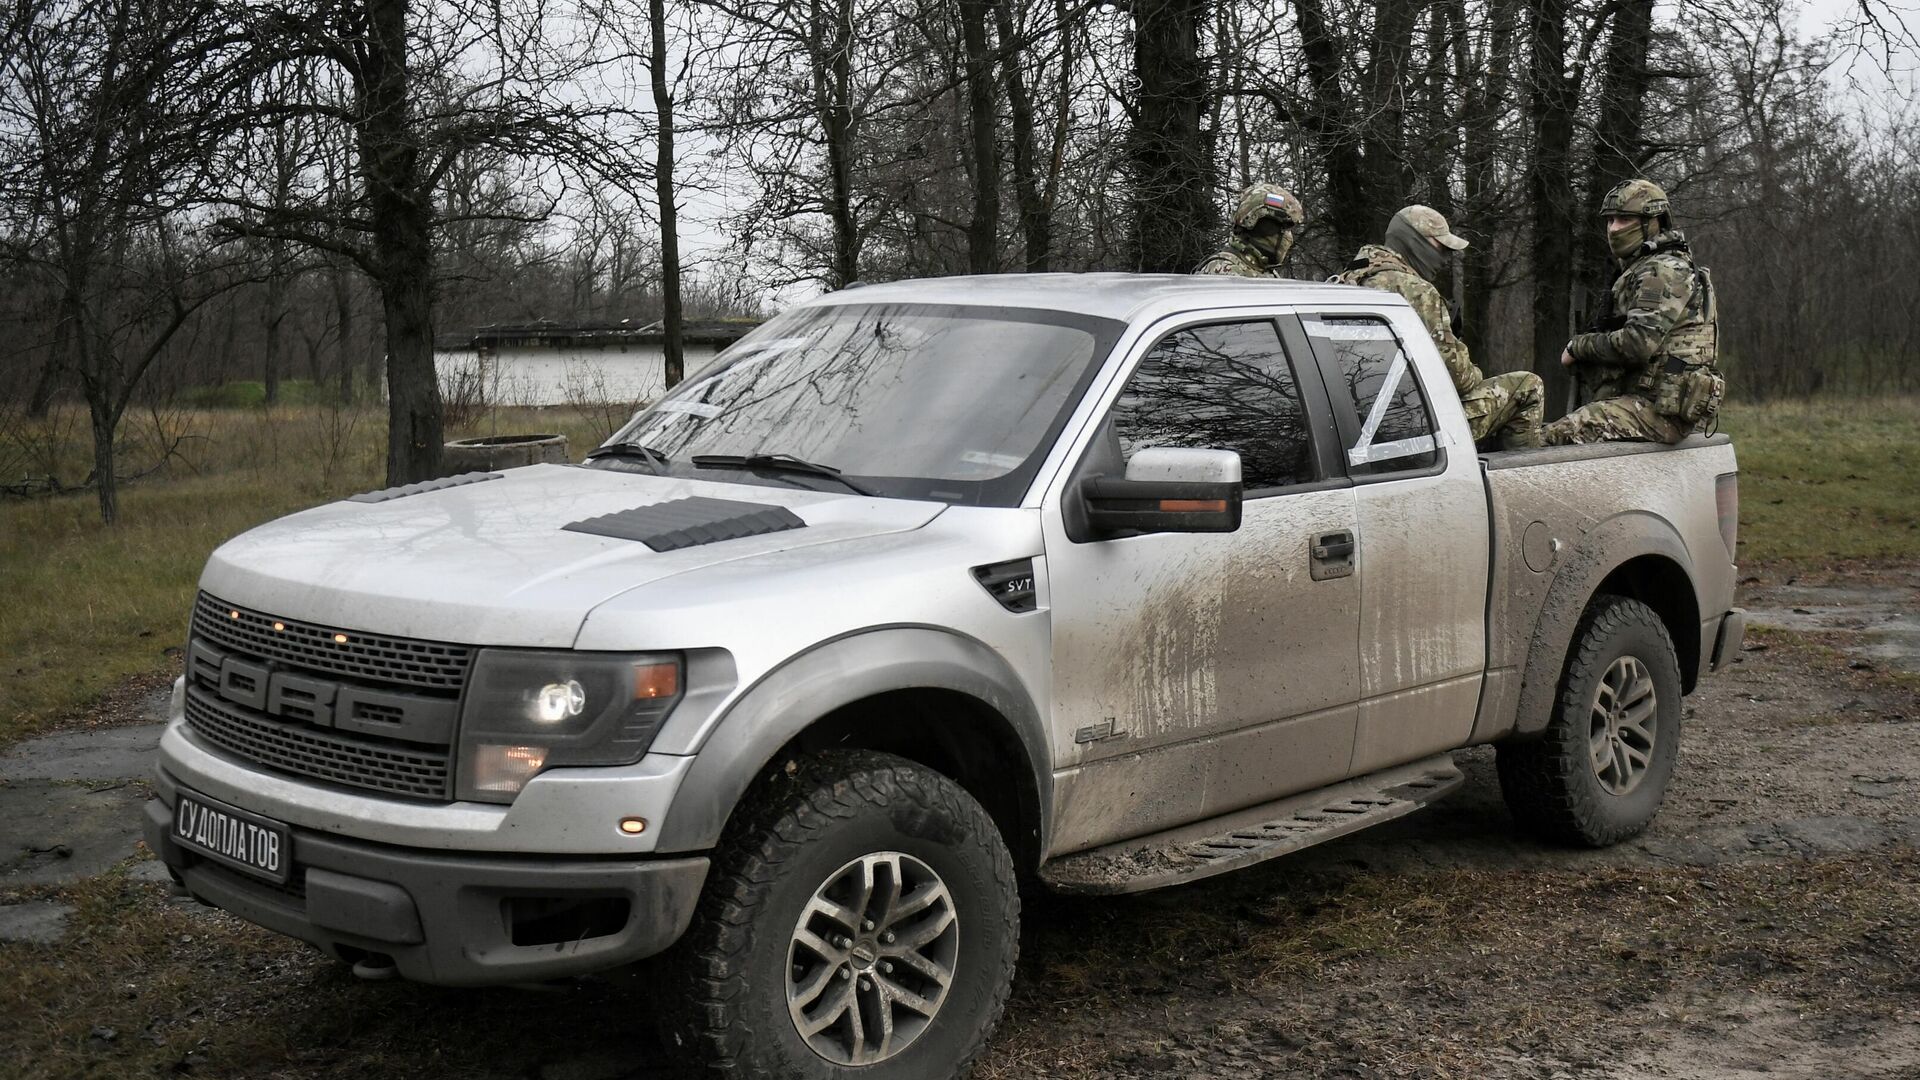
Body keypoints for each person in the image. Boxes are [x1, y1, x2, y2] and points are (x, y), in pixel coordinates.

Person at [1335, 205, 1544, 449]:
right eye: (1440, 248)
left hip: (1352, 423)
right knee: (1528, 386)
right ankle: (1517, 480)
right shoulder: (1416, 291)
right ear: (1414, 242)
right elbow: (1458, 378)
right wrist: (1471, 366)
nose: (1444, 259)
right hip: (1410, 426)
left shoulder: (1346, 281)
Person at [1542, 179, 1722, 445]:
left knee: (1553, 438)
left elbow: (1638, 343)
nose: (1614, 228)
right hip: (1645, 403)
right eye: (1610, 220)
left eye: (1624, 219)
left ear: (1653, 222)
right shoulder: (1643, 267)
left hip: (1657, 411)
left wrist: (1578, 347)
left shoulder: (1662, 270)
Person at [1196, 183, 1305, 277]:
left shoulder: (1262, 270)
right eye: (1282, 228)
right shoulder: (1225, 270)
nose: (1288, 236)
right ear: (1259, 225)